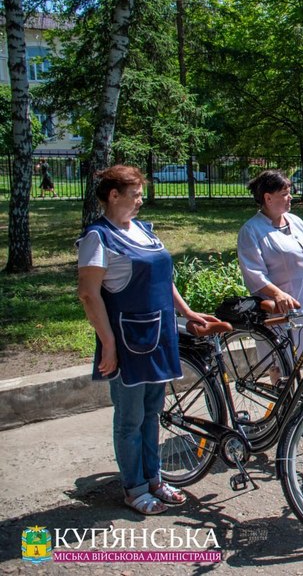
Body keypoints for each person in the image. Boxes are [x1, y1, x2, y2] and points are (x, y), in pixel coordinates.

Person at [76, 165, 212, 515]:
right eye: (135, 194)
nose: (140, 201)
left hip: (158, 335)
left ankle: (153, 478)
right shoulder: (98, 237)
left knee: (152, 413)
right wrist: (108, 343)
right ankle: (134, 488)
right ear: (113, 195)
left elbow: (165, 280)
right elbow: (89, 294)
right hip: (126, 341)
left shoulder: (144, 232)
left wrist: (188, 313)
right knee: (129, 418)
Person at [237, 169, 303, 362]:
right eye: (284, 194)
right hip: (280, 310)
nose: (290, 197)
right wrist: (277, 294)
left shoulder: (297, 222)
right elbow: (254, 273)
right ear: (268, 198)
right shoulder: (251, 231)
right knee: (282, 365)